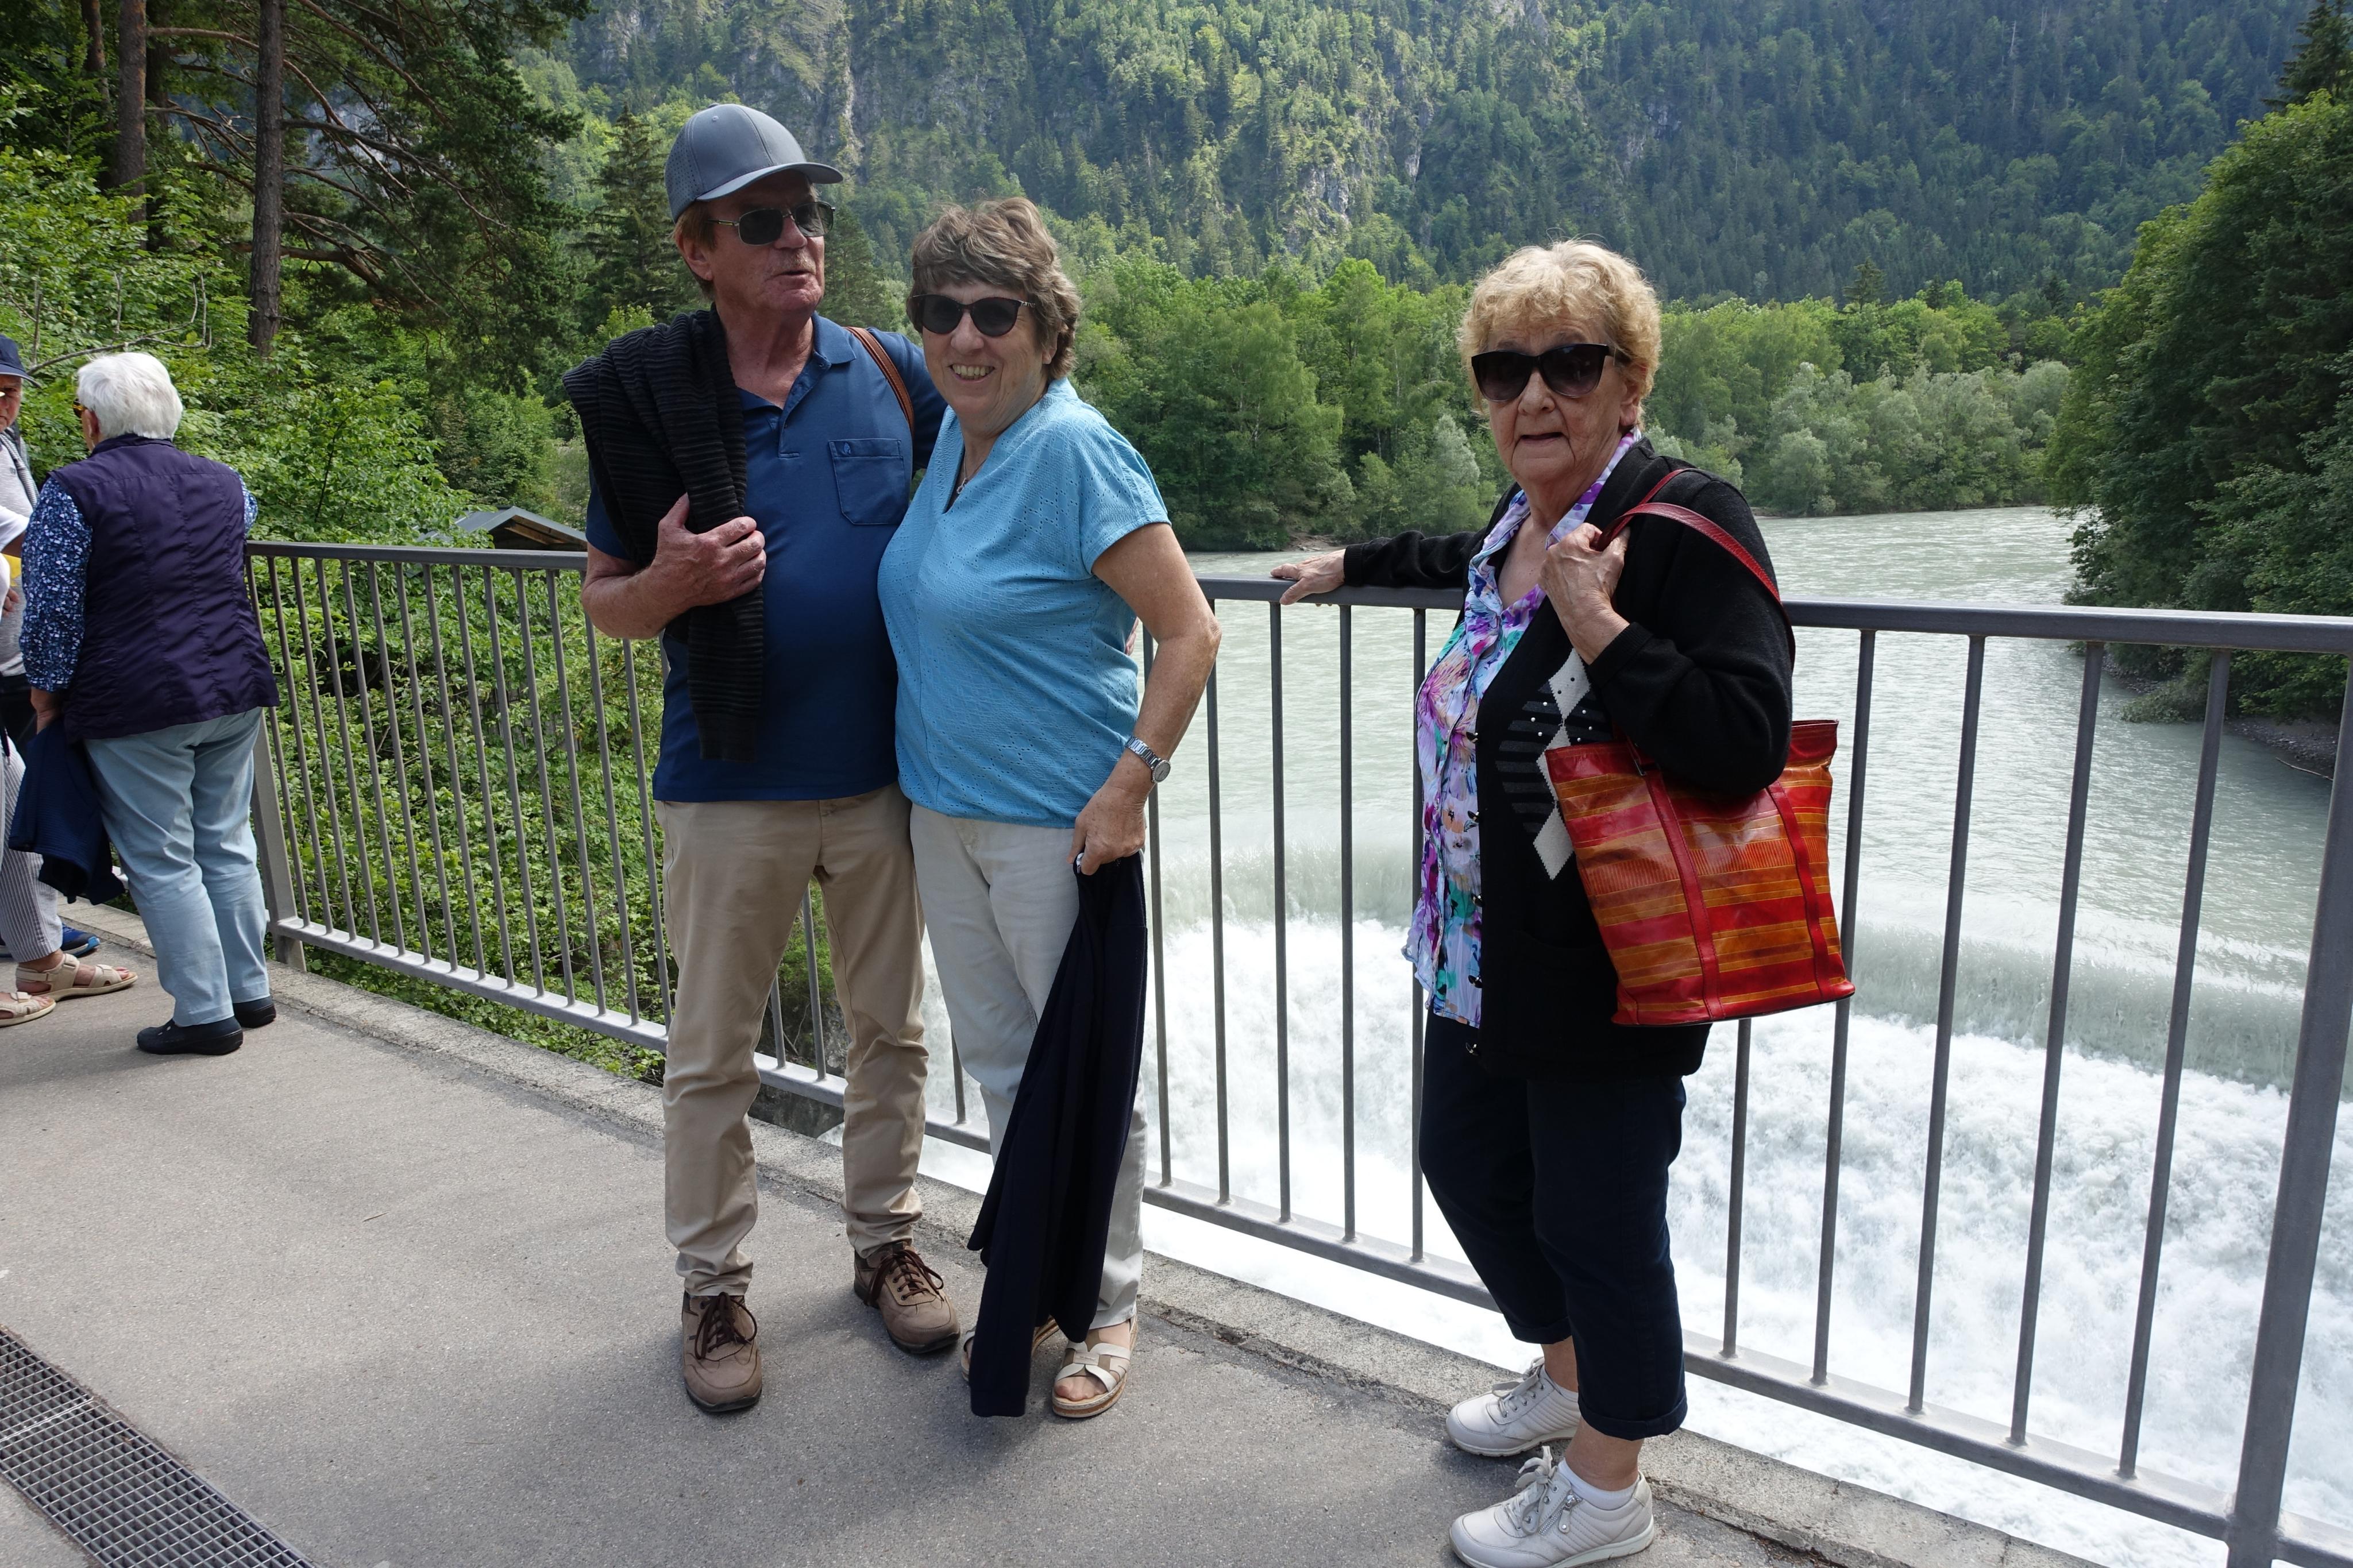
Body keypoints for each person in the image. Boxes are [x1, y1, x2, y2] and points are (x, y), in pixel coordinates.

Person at [1272, 241, 1793, 1567]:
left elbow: (1742, 743)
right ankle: (1565, 1379)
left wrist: (1601, 627)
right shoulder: (1514, 530)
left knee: (1597, 1223)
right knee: (1468, 1167)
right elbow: (1458, 557)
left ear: (1631, 380)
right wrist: (1351, 561)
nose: (1533, 396)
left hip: (1608, 963)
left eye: (1569, 363)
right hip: (1478, 950)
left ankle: (1608, 1490)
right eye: (1504, 372)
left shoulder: (1684, 526)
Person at [569, 103, 955, 1416]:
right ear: (698, 250)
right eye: (763, 220)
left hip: (883, 776)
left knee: (889, 1031)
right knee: (712, 1056)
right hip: (728, 783)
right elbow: (606, 598)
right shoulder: (650, 404)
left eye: (809, 213)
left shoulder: (890, 372)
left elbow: (1000, 482)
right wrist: (671, 582)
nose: (800, 238)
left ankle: (886, 1242)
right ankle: (715, 1287)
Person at [878, 198, 1220, 1419]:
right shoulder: (955, 444)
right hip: (943, 817)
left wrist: (1131, 785)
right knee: (1006, 1068)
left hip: (1056, 826)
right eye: (941, 312)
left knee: (1086, 1076)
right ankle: (1035, 1275)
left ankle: (1109, 1306)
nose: (964, 337)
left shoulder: (1076, 451)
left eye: (993, 313)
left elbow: (1189, 632)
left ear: (1045, 328)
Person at [22, 352, 275, 1056]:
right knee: (226, 840)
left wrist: (46, 692)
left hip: (136, 698)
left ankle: (204, 1016)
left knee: (163, 859)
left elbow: (51, 608)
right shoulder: (227, 481)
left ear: (93, 421)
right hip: (233, 684)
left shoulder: (73, 490)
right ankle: (249, 993)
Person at [0, 334, 106, 965]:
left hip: (17, 653)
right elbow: (17, 530)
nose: (4, 404)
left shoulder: (10, 442)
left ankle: (31, 929)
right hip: (9, 655)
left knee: (23, 795)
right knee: (18, 796)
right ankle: (31, 935)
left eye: (11, 392)